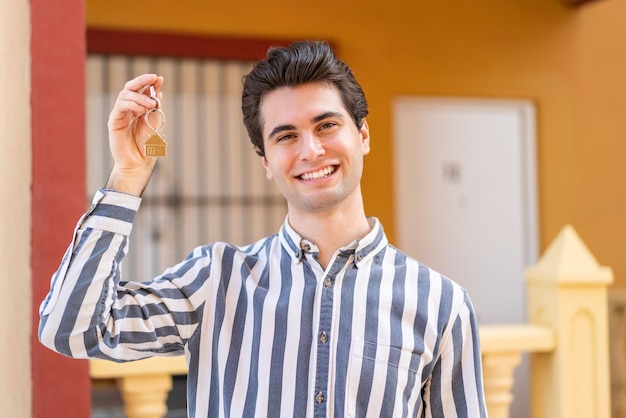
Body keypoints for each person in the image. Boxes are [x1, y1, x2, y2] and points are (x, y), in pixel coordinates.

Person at [39, 40, 487, 417]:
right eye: (286, 136)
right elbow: (71, 329)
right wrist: (128, 176)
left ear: (363, 135)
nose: (311, 150)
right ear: (266, 163)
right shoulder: (216, 279)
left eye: (327, 125)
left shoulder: (441, 303)